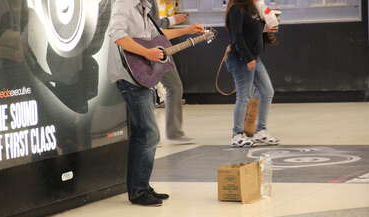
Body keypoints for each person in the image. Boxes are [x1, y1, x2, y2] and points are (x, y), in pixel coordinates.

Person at [108, 0, 204, 206]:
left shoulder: (145, 8)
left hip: (141, 76)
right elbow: (117, 35)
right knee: (149, 134)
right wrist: (147, 53)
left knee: (143, 134)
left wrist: (187, 30)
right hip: (129, 76)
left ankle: (141, 186)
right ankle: (139, 191)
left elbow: (157, 37)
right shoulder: (125, 3)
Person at [225, 0, 280, 148]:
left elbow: (253, 33)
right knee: (244, 96)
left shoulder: (253, 9)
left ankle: (261, 131)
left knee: (267, 91)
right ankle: (237, 134)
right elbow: (237, 36)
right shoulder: (236, 9)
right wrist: (248, 58)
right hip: (241, 59)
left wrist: (267, 30)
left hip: (254, 58)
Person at [148, 0, 194, 144]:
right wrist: (186, 29)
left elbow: (154, 25)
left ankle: (172, 133)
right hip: (150, 49)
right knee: (148, 91)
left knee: (173, 87)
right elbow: (154, 30)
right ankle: (150, 137)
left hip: (158, 47)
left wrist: (173, 20)